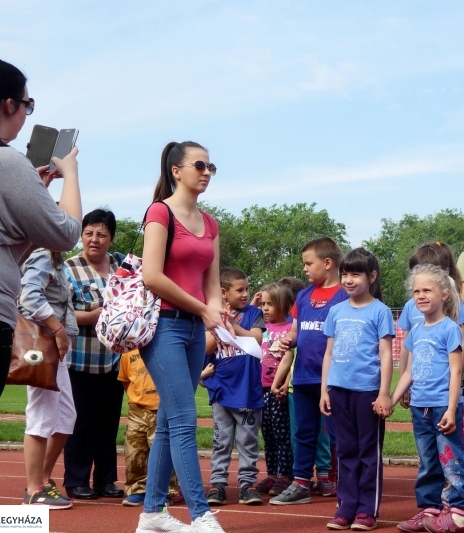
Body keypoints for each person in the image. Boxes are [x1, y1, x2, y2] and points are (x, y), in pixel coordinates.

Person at [0, 54, 81, 504]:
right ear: (9, 104)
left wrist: (29, 200)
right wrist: (70, 174)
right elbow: (66, 233)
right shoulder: (3, 161)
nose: (27, 114)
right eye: (28, 104)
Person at [135, 141, 228, 533]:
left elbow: (213, 284)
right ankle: (201, 515)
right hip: (165, 326)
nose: (206, 172)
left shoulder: (210, 224)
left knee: (173, 424)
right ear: (177, 170)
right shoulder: (160, 212)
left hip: (194, 329)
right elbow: (152, 275)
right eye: (200, 165)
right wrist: (202, 308)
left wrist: (216, 315)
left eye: (212, 167)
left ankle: (152, 513)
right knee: (186, 420)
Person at [391, 264, 464, 533]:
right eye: (416, 291)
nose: (421, 295)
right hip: (420, 406)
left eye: (427, 290)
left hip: (442, 406)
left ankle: (459, 512)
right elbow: (409, 373)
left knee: (451, 457)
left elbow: (456, 371)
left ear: (445, 294)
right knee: (427, 460)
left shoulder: (449, 329)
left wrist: (451, 409)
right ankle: (429, 509)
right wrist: (392, 400)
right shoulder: (416, 332)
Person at [270, 237, 348, 506]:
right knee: (303, 432)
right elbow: (294, 330)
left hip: (335, 378)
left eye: (308, 263)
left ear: (327, 263)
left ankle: (343, 483)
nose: (304, 269)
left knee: (339, 433)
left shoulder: (345, 295)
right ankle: (301, 482)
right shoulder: (303, 296)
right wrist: (287, 340)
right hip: (303, 376)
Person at [321, 248, 395, 531]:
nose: (349, 280)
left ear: (371, 276)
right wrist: (325, 390)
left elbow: (386, 354)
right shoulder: (336, 311)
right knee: (345, 451)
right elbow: (329, 353)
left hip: (367, 392)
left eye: (356, 274)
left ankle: (367, 510)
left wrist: (384, 393)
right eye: (345, 274)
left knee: (368, 451)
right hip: (339, 390)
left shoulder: (381, 311)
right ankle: (346, 506)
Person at [63, 209, 126, 501]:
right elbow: (60, 313)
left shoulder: (122, 267)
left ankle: (106, 480)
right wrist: (93, 316)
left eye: (102, 234)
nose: (94, 239)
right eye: (89, 233)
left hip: (114, 362)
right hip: (79, 360)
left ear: (111, 238)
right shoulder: (68, 268)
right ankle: (76, 480)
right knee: (81, 422)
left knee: (108, 422)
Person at [18, 249, 79, 509]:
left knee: (65, 418)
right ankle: (33, 490)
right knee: (42, 417)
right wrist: (57, 328)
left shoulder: (57, 261)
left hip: (56, 352)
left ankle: (41, 480)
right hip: (41, 347)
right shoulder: (43, 255)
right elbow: (29, 295)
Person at [203, 267, 265, 507]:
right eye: (239, 290)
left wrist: (232, 326)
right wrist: (219, 324)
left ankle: (247, 484)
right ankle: (218, 484)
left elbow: (255, 339)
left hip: (247, 391)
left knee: (248, 440)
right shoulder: (211, 314)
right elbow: (207, 348)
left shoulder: (254, 313)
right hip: (221, 391)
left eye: (247, 289)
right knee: (221, 440)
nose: (245, 294)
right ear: (223, 292)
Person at [117, 349, 182, 507]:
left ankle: (165, 491)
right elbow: (125, 380)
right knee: (134, 452)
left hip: (161, 408)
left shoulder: (162, 347)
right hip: (137, 410)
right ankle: (137, 490)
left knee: (162, 451)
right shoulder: (128, 353)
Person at [256, 283, 295, 496]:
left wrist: (285, 382)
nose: (265, 308)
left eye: (270, 304)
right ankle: (271, 474)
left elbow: (291, 359)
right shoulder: (260, 328)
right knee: (268, 434)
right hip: (260, 389)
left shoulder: (290, 329)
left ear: (284, 305)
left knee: (282, 435)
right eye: (263, 304)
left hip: (278, 390)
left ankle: (285, 475)